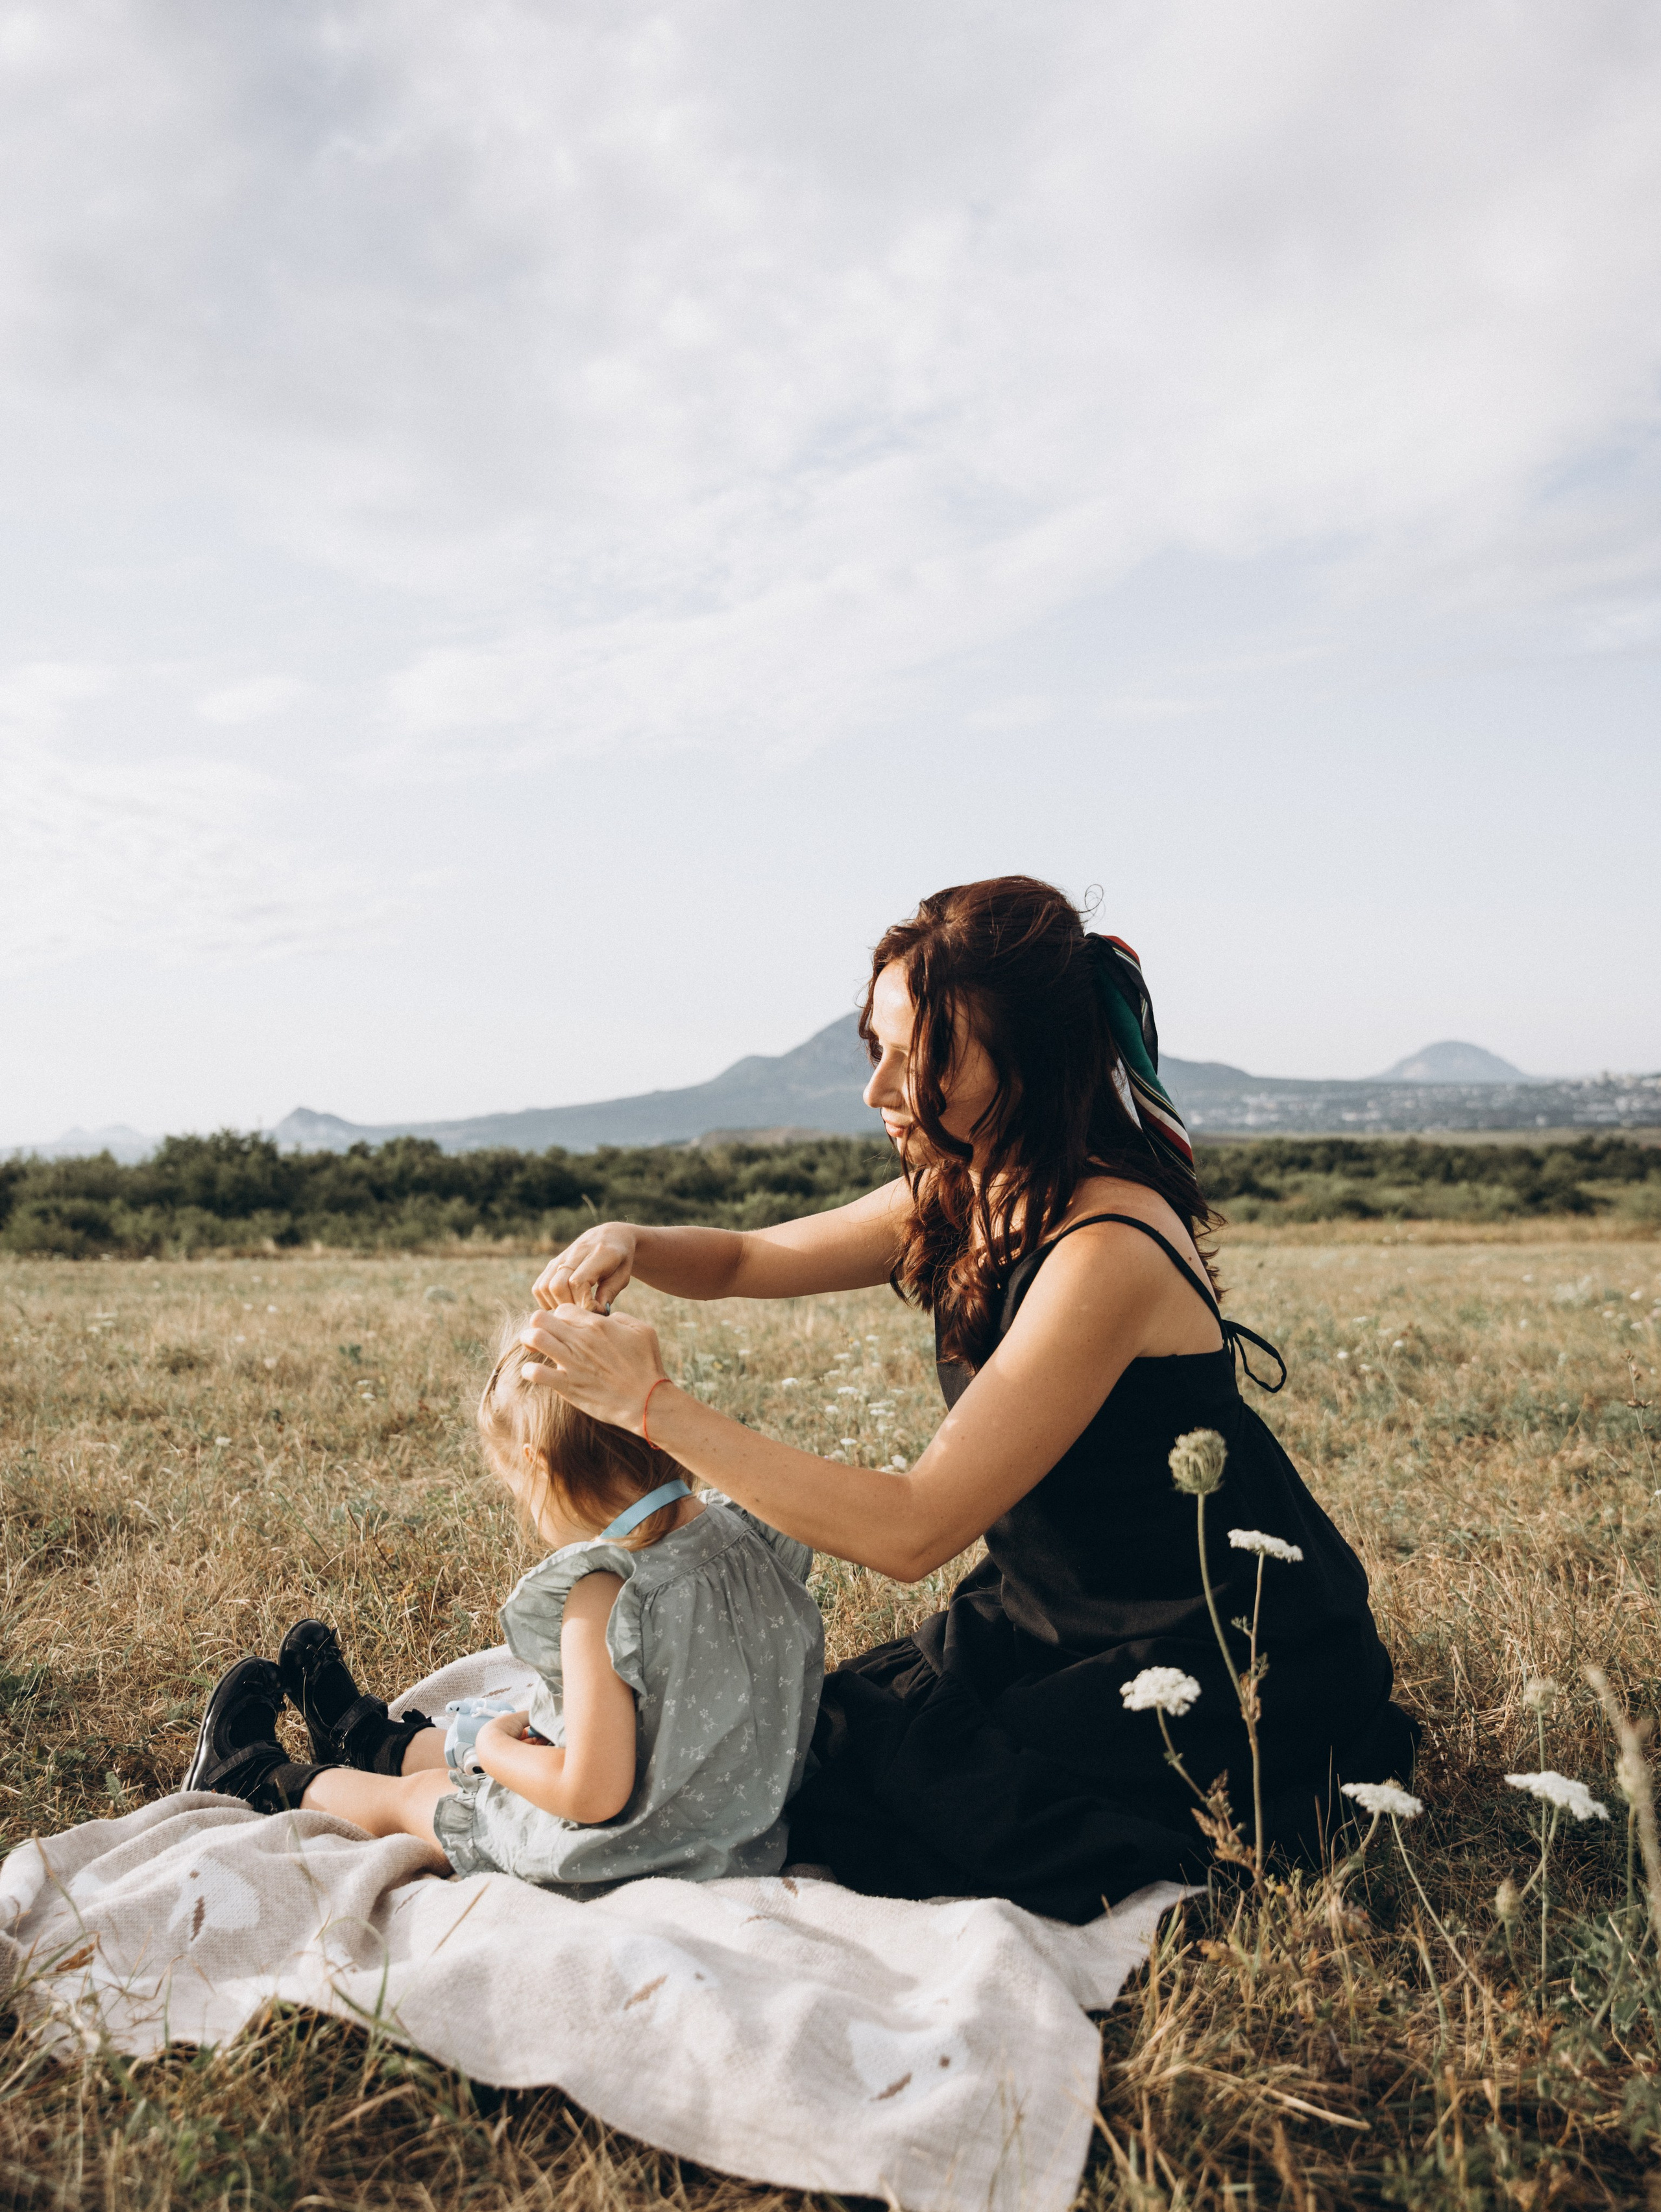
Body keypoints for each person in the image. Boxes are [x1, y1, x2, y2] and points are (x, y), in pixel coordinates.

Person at [515, 876, 1418, 1923]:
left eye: (923, 1057)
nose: (879, 1088)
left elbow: (914, 1529)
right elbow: (751, 1258)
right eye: (878, 1047)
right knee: (818, 1750)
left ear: (1028, 1060)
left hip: (1199, 1649)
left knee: (884, 1809)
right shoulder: (971, 1184)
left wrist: (652, 1406)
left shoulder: (1107, 1248)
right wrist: (630, 1240)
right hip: (1051, 1617)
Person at [184, 1318, 825, 1892]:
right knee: (532, 1731)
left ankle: (253, 1779)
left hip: (623, 1854)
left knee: (427, 1796)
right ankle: (365, 1739)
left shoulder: (606, 1594)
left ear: (537, 1466)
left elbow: (591, 1793)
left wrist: (491, 1748)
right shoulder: (750, 1533)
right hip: (737, 1832)